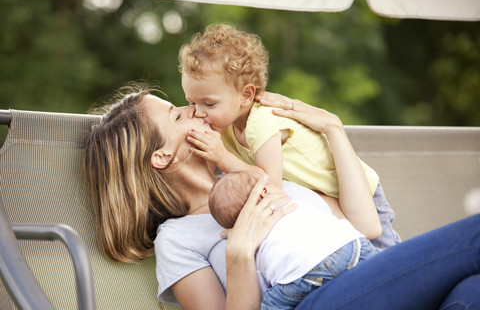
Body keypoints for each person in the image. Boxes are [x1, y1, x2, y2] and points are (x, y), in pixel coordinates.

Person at [83, 85, 480, 310]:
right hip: (317, 302)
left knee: (471, 293)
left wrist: (333, 129)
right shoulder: (178, 238)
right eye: (176, 115)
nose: (193, 109)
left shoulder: (260, 170)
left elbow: (364, 228)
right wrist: (240, 252)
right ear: (161, 156)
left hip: (366, 276)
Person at [179, 24, 400, 250]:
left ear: (246, 95)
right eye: (191, 102)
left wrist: (222, 157)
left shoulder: (261, 120)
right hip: (328, 200)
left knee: (388, 259)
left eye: (209, 103)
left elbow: (270, 183)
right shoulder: (225, 125)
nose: (198, 111)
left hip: (361, 192)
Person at [209, 170, 378, 309]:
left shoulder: (252, 245)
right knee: (376, 262)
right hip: (352, 246)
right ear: (265, 192)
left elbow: (260, 286)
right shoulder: (296, 204)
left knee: (270, 303)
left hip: (302, 275)